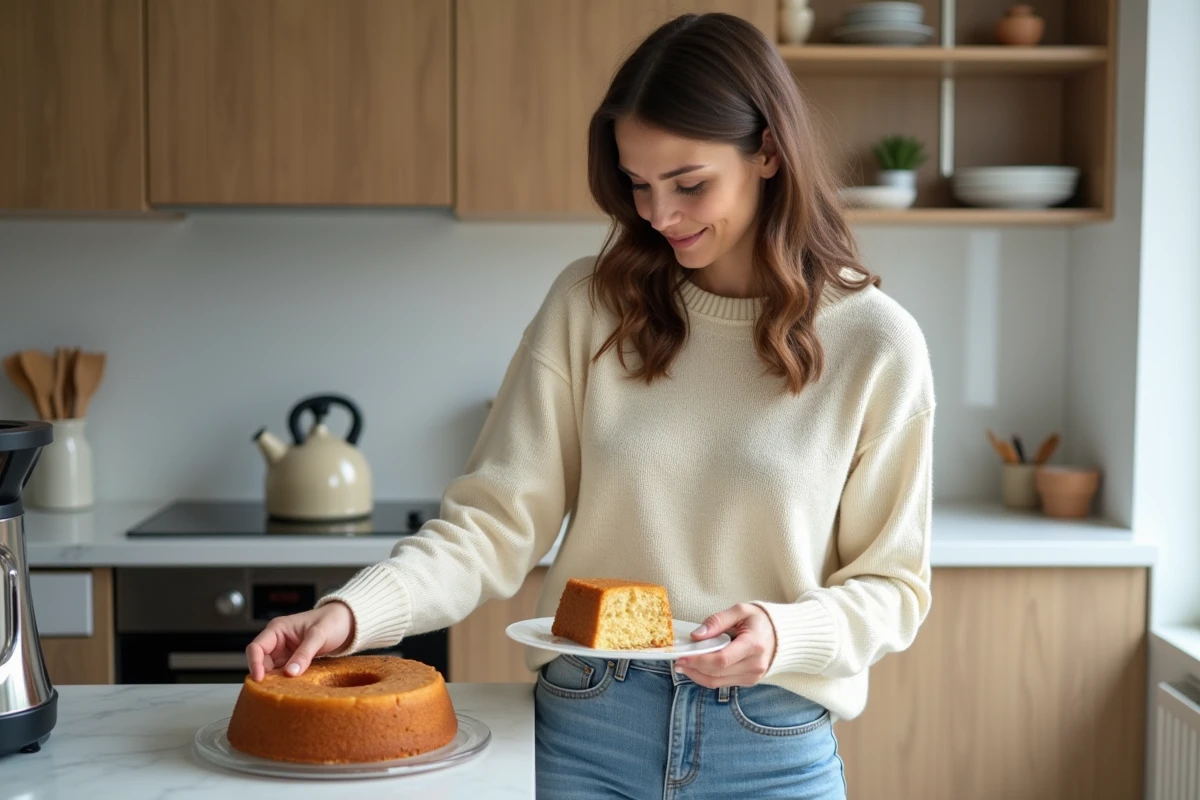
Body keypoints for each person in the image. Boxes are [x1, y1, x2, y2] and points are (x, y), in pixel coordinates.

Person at [245, 12, 935, 799]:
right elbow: (490, 524)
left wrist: (784, 634)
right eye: (638, 184)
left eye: (689, 183)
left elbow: (894, 588)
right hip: (586, 729)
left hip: (771, 740)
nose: (659, 215)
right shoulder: (590, 306)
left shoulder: (877, 344)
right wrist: (350, 614)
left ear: (769, 153)